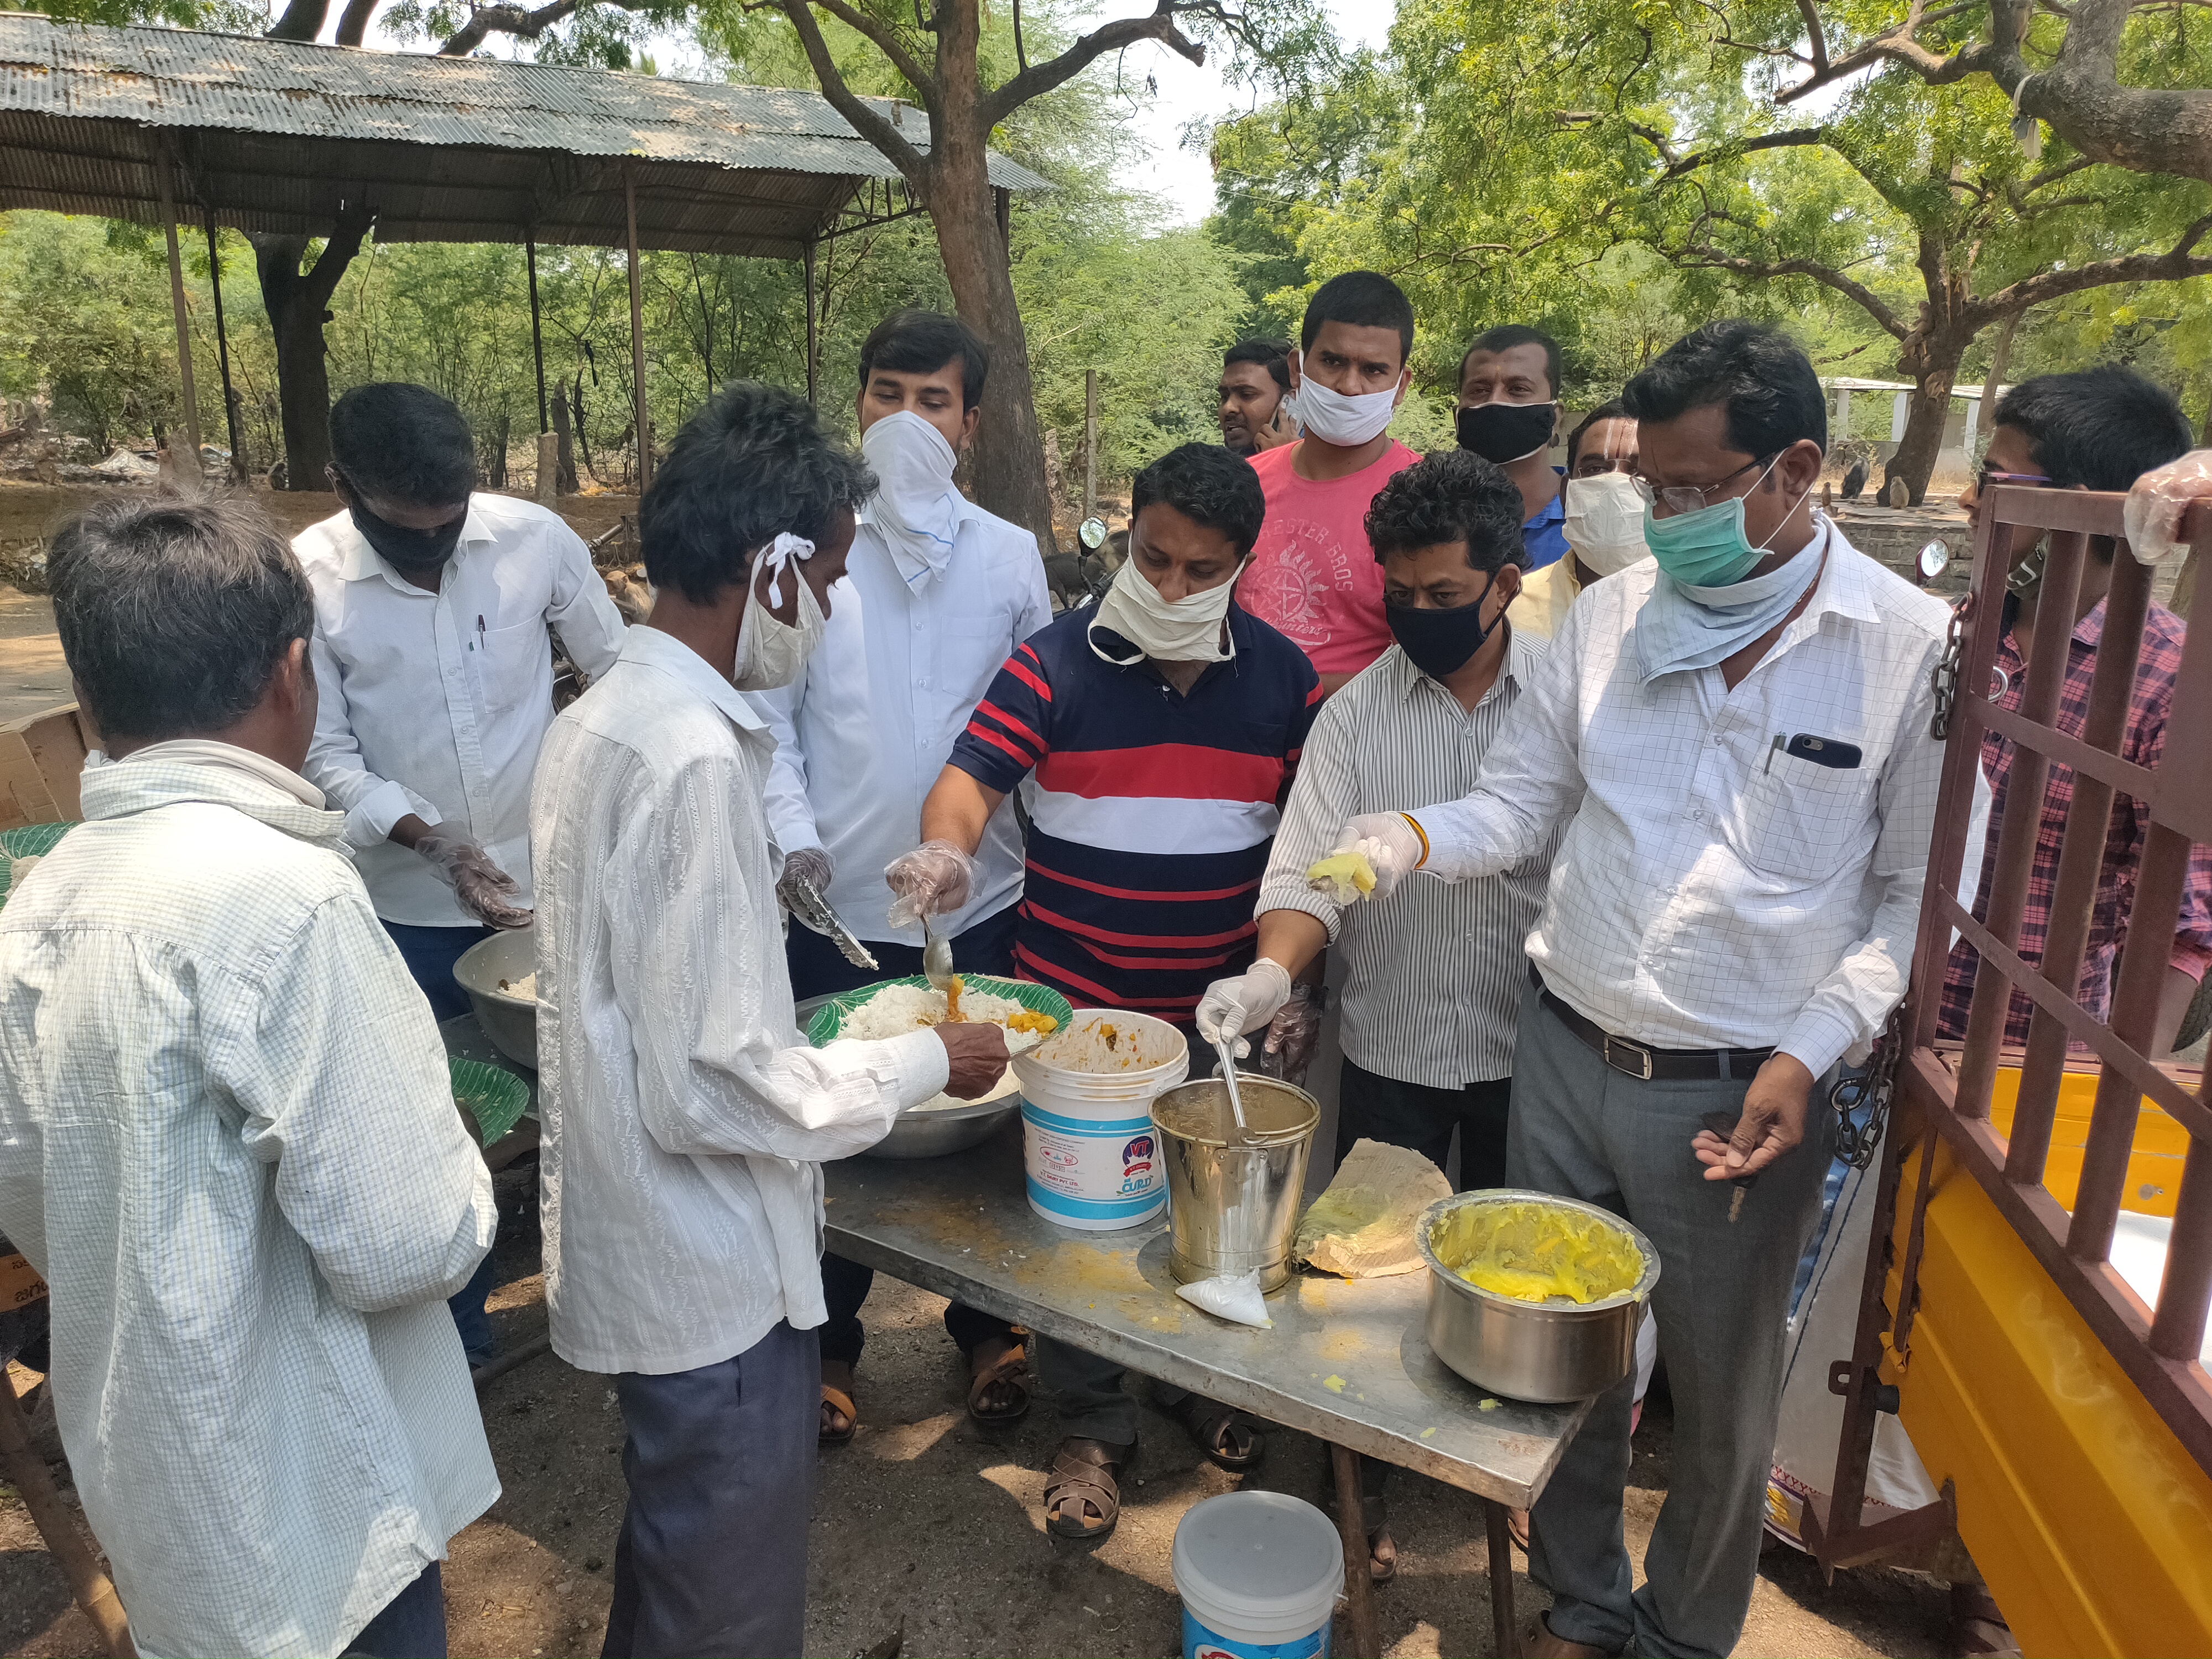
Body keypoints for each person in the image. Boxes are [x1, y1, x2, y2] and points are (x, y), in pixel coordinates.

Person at [1320, 321, 1953, 1659]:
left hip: (1742, 1097)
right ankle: (1582, 1607)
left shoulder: (1908, 650)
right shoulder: (1607, 619)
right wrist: (1407, 838)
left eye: (1689, 490)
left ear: (1796, 467)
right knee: (1566, 1366)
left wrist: (1813, 1045)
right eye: (1649, 490)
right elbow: (1522, 803)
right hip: (1562, 1052)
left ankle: (1678, 1635)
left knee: (1721, 1399)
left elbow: (1912, 901)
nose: (1660, 518)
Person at [529, 380, 1008, 1659]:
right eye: (834, 575)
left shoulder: (606, 717)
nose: (837, 606)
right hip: (710, 1282)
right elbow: (715, 1087)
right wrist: (923, 1056)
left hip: (651, 1250)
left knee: (677, 1564)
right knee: (726, 1608)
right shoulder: (686, 754)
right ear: (778, 567)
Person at [0, 497, 499, 1659]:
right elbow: (403, 1245)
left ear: (88, 701)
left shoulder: (38, 908)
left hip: (156, 1484)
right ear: (291, 674)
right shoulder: (286, 898)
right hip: (317, 1510)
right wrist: (455, 1170)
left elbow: (37, 1189)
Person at [887, 442, 1320, 1543]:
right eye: (1152, 555)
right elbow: (968, 780)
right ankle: (1090, 1426)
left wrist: (1292, 984)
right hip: (1074, 1019)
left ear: (1241, 567)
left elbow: (1307, 849)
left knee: (1204, 1220)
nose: (1169, 586)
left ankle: (1186, 1382)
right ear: (1126, 534)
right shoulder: (1052, 666)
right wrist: (945, 854)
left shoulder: (1282, 680)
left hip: (1211, 1023)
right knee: (1078, 1233)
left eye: (1199, 570)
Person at [1198, 447, 1558, 1582]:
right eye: (1397, 592)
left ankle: (1514, 1477)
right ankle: (1375, 1481)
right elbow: (1305, 870)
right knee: (1369, 1278)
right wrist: (1271, 975)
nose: (1416, 614)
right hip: (1394, 1039)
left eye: (1444, 595)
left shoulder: (1566, 701)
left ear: (1505, 581)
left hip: (1529, 1048)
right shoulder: (1356, 712)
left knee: (1515, 1281)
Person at [754, 307, 1049, 1445]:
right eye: (888, 393)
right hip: (832, 902)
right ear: (858, 406)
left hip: (983, 892)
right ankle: (828, 1346)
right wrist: (793, 837)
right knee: (830, 1123)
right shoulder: (808, 554)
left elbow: (1038, 722)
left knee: (978, 1109)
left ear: (969, 423)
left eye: (934, 400)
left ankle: (990, 1335)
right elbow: (771, 714)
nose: (908, 418)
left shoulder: (1009, 554)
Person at [297, 380, 625, 1369]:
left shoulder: (535, 542)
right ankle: (455, 1335)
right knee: (442, 1122)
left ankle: (601, 1296)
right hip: (404, 905)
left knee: (586, 1095)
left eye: (449, 527)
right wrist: (428, 839)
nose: (432, 550)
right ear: (344, 486)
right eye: (408, 535)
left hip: (548, 892)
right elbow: (319, 753)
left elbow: (620, 674)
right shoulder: (305, 579)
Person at [1940, 366, 2211, 1053]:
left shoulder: (2166, 683)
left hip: (2021, 1060)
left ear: (2076, 506)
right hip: (1884, 1026)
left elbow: (2186, 927)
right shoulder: (1962, 632)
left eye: (1997, 480)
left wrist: (2105, 1098)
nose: (1973, 501)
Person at [1237, 271, 1422, 693]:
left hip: (1364, 744)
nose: (1350, 386)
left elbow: (1425, 669)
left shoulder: (1427, 498)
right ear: (1297, 369)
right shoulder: (1245, 487)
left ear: (1399, 387)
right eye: (1333, 361)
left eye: (1374, 370)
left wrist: (1280, 695)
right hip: (1241, 744)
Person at [1508, 400, 1648, 639]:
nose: (1616, 485)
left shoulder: (1697, 609)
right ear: (1565, 494)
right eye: (1595, 469)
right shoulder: (1513, 611)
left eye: (1640, 471)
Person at [1457, 324, 1571, 572]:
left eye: (1518, 389)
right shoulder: (1435, 515)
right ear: (1457, 413)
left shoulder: (1587, 514)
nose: (1495, 400)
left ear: (1555, 417)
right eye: (1479, 390)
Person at [1218, 337, 1295, 455]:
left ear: (1290, 402)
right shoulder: (1212, 469)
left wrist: (1284, 458)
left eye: (1246, 395)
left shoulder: (1325, 465)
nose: (1228, 408)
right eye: (1224, 397)